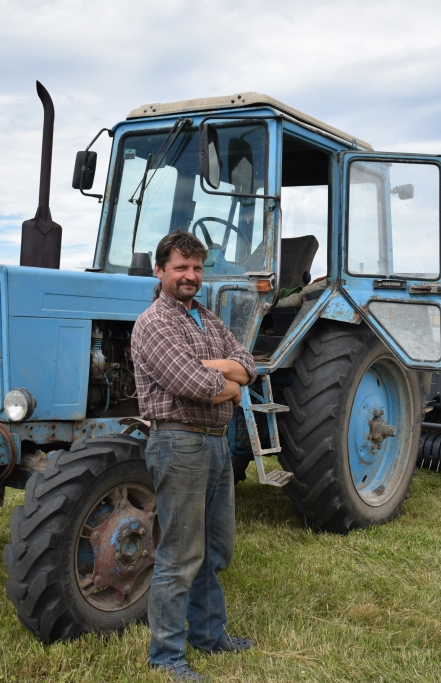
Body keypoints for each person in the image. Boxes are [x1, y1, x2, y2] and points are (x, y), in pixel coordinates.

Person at [131, 231, 257, 682]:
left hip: (215, 442)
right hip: (179, 442)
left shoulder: (205, 317)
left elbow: (250, 363)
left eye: (197, 268)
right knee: (179, 555)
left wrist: (225, 370)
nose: (190, 276)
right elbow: (193, 385)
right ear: (161, 270)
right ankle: (166, 656)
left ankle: (208, 635)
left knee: (215, 549)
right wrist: (232, 384)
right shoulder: (154, 323)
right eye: (181, 267)